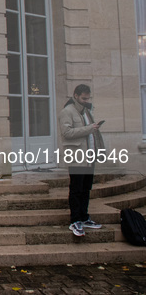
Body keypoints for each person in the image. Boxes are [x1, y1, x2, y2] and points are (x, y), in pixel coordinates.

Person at [59, 84, 104, 237]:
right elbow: (66, 132)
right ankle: (75, 220)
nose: (86, 101)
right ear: (76, 96)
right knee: (76, 189)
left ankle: (84, 217)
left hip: (89, 157)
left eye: (88, 98)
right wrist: (89, 128)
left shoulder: (86, 111)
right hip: (76, 157)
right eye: (84, 98)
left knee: (86, 189)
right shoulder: (67, 111)